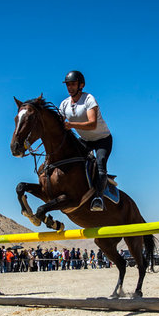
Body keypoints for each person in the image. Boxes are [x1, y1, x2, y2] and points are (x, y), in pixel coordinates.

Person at [59, 70, 112, 212]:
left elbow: (92, 124)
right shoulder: (64, 104)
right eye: (68, 85)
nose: (70, 87)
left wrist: (71, 125)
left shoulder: (89, 99)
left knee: (100, 164)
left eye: (73, 84)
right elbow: (59, 124)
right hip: (85, 140)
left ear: (81, 85)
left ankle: (99, 198)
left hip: (102, 140)